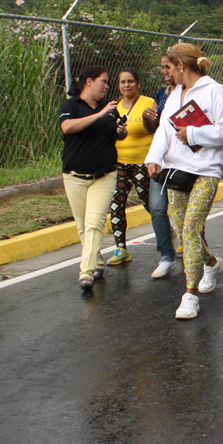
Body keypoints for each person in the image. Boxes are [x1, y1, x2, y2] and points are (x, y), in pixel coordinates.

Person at [147, 43, 223, 320]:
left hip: (206, 171)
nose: (167, 73)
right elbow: (164, 128)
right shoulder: (175, 94)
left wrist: (194, 134)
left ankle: (190, 296)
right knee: (182, 227)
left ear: (181, 66)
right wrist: (154, 158)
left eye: (169, 67)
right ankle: (210, 263)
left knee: (190, 228)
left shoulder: (214, 90)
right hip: (177, 170)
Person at [58, 65, 128, 290]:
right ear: (88, 81)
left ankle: (86, 272)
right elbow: (67, 128)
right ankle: (97, 263)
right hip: (74, 176)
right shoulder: (71, 105)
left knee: (95, 223)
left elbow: (118, 134)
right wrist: (99, 115)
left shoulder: (109, 108)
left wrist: (120, 131)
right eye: (103, 82)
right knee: (82, 226)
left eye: (108, 82)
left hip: (104, 175)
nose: (107, 87)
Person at [106, 68, 156, 267]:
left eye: (130, 81)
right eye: (122, 82)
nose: (126, 85)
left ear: (138, 83)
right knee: (116, 204)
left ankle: (168, 231)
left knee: (149, 203)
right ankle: (121, 249)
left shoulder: (148, 103)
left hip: (143, 163)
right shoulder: (113, 107)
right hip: (120, 163)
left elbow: (156, 128)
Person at [142, 54, 180, 278]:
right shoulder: (160, 95)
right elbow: (153, 129)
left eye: (169, 67)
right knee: (157, 207)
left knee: (183, 212)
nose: (166, 72)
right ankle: (166, 256)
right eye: (162, 68)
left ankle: (203, 257)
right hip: (162, 159)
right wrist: (149, 117)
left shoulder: (190, 91)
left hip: (184, 161)